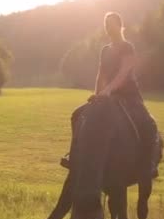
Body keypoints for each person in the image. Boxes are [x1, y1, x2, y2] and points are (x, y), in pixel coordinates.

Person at [61, 12, 157, 178]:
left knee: (149, 125)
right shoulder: (105, 50)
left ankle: (147, 167)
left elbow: (124, 73)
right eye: (106, 25)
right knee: (77, 115)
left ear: (120, 26)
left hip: (129, 97)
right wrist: (97, 95)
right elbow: (101, 75)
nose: (108, 28)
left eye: (111, 24)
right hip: (107, 97)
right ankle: (75, 157)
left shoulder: (127, 47)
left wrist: (108, 90)